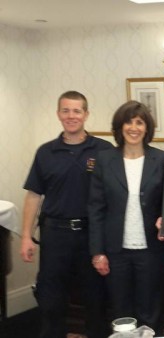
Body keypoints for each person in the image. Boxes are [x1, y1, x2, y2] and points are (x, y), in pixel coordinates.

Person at [20, 91, 112, 338]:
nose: (71, 116)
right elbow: (33, 196)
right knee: (51, 301)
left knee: (96, 300)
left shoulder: (103, 150)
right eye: (66, 110)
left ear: (86, 114)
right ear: (58, 114)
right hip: (54, 236)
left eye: (77, 111)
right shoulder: (45, 152)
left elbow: (114, 196)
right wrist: (26, 237)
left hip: (90, 237)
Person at [88, 101, 164, 334]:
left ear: (147, 128)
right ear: (120, 127)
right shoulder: (105, 160)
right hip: (115, 250)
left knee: (150, 310)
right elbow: (96, 209)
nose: (134, 128)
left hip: (152, 249)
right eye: (129, 122)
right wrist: (98, 252)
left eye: (140, 122)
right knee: (121, 312)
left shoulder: (161, 159)